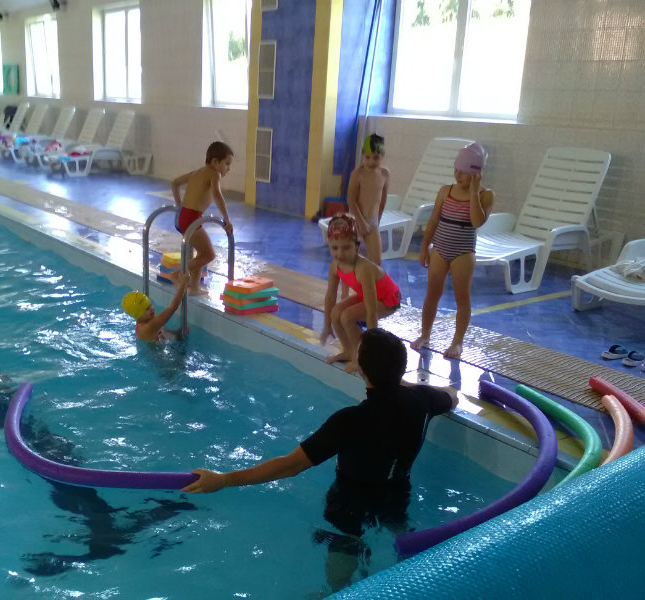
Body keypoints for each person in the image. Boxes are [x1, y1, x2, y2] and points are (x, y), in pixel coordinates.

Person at [182, 328, 458, 592]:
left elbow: (290, 466)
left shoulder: (349, 421)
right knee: (405, 551)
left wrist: (224, 479)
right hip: (396, 498)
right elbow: (452, 396)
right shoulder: (422, 401)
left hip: (348, 508)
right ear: (401, 368)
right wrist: (412, 387)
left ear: (361, 369)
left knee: (337, 586)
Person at [411, 142, 494, 359]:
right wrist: (424, 247)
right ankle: (425, 334)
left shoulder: (485, 195)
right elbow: (433, 221)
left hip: (463, 253)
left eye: (463, 172)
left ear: (476, 174)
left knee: (461, 298)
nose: (457, 175)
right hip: (439, 248)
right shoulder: (445, 191)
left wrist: (474, 192)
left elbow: (476, 221)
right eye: (456, 170)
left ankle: (457, 342)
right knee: (432, 294)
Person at [319, 214, 401, 373]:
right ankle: (349, 351)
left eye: (346, 248)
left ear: (356, 246)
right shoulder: (335, 266)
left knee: (347, 316)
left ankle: (361, 358)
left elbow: (371, 311)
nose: (340, 254)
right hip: (369, 295)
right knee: (336, 312)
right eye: (334, 248)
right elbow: (330, 296)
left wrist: (371, 348)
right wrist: (327, 325)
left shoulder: (364, 269)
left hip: (388, 300)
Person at [171, 141, 235, 295]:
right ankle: (177, 274)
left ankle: (194, 287)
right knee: (208, 255)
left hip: (183, 216)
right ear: (215, 162)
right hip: (191, 219)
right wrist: (226, 218)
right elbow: (217, 195)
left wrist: (179, 204)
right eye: (227, 163)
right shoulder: (214, 174)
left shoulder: (196, 172)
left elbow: (175, 183)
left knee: (201, 253)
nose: (229, 168)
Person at [348, 133, 390, 265]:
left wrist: (377, 221)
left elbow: (383, 200)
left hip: (372, 222)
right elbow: (351, 201)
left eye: (376, 157)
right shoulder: (358, 174)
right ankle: (346, 281)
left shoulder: (385, 174)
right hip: (355, 220)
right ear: (363, 155)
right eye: (367, 157)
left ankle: (370, 280)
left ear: (382, 156)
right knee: (350, 261)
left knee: (376, 263)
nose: (371, 161)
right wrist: (361, 222)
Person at [121, 272, 189, 342]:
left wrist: (176, 332)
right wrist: (184, 284)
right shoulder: (147, 327)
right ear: (138, 314)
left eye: (150, 305)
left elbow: (160, 329)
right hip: (158, 349)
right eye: (147, 309)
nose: (152, 309)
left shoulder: (145, 321)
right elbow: (173, 307)